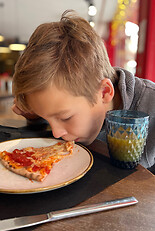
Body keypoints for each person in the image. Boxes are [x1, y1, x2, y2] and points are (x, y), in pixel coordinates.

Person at [12, 10, 155, 172]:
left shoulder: (151, 106)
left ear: (104, 92)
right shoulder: (74, 100)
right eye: (48, 118)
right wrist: (35, 118)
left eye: (65, 117)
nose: (57, 134)